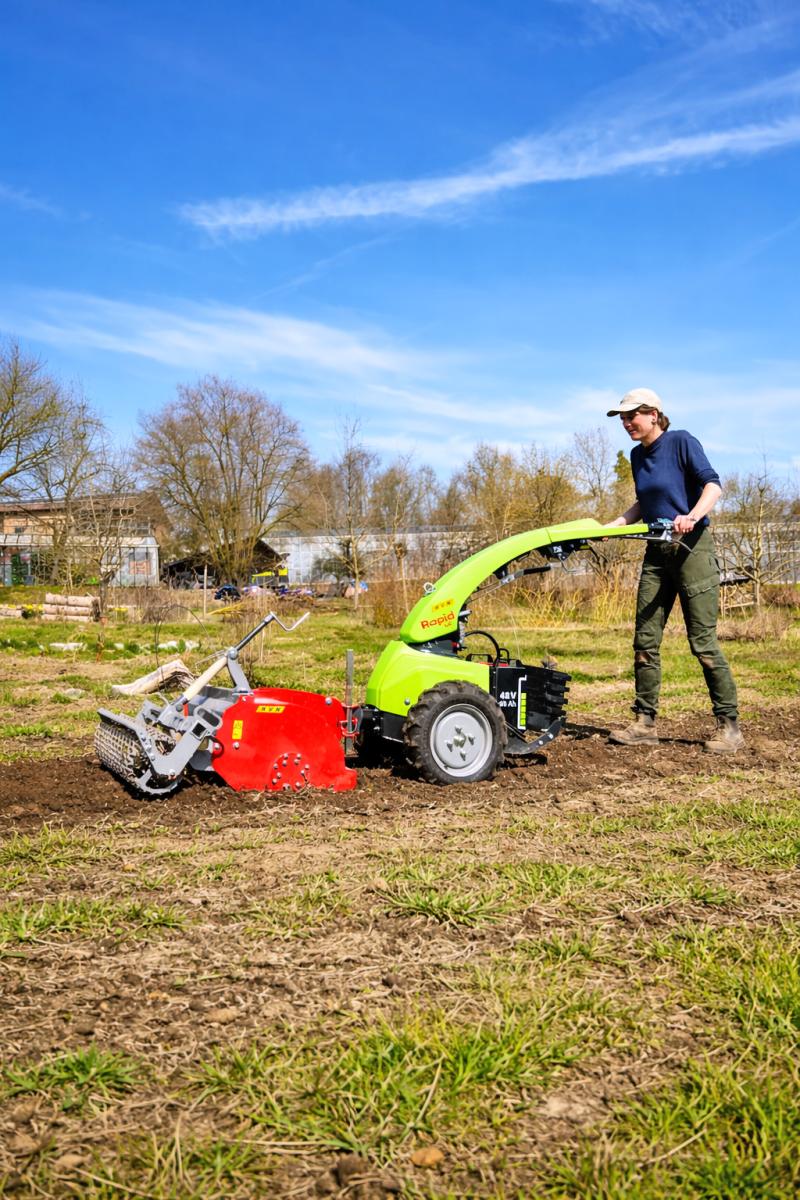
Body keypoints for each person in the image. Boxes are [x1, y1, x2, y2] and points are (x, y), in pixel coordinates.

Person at [606, 387, 744, 754]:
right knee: (645, 640)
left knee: (703, 642)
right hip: (657, 553)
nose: (626, 422)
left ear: (654, 414)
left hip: (692, 548)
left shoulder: (682, 441)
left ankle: (728, 726)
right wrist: (614, 525)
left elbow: (713, 485)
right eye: (622, 417)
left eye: (631, 415)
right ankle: (644, 723)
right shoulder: (637, 456)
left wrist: (692, 515)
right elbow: (644, 501)